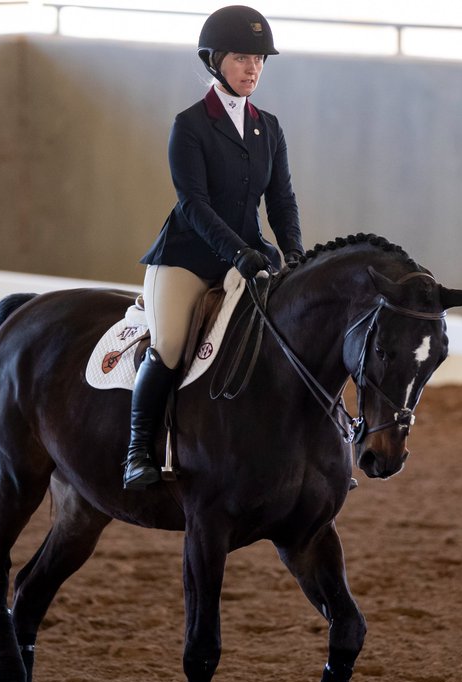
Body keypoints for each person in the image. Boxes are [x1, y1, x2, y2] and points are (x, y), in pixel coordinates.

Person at [123, 4, 304, 490]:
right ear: (215, 60)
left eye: (261, 60)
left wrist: (295, 254)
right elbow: (195, 205)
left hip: (248, 255)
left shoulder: (269, 126)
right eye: (244, 58)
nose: (254, 69)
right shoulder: (190, 124)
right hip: (187, 257)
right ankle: (138, 450)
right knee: (170, 345)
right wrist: (239, 252)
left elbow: (281, 200)